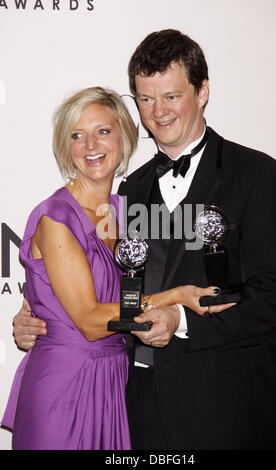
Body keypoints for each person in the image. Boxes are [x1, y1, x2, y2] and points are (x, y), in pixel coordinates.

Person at [13, 29, 276, 450]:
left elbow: (271, 299)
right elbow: (103, 290)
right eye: (146, 99)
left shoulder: (259, 176)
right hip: (139, 408)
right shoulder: (129, 194)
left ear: (202, 91)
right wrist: (33, 314)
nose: (158, 112)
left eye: (171, 96)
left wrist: (181, 320)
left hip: (230, 410)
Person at [1, 86, 229, 450]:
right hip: (63, 386)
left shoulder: (128, 212)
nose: (91, 145)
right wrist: (178, 296)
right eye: (77, 135)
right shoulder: (55, 218)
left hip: (116, 382)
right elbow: (91, 321)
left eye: (103, 131)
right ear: (66, 148)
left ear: (124, 136)